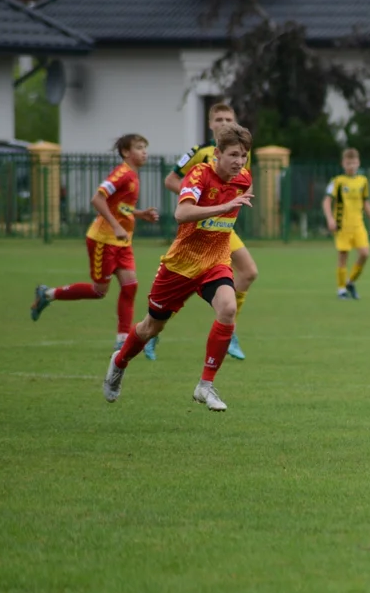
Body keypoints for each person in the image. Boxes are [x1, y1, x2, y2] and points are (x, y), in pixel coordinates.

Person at [103, 123, 254, 411]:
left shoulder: (243, 178)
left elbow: (236, 200)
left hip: (216, 260)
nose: (239, 162)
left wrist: (229, 206)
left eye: (244, 156)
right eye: (234, 154)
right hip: (180, 265)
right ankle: (119, 362)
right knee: (151, 327)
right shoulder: (199, 174)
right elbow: (181, 213)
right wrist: (223, 207)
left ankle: (205, 386)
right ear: (217, 154)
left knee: (228, 308)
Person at [143, 102, 256, 361]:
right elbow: (171, 180)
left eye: (229, 118)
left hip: (222, 226)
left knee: (249, 272)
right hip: (199, 225)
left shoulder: (239, 155)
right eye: (219, 119)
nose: (224, 123)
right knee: (185, 281)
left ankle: (229, 326)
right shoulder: (198, 153)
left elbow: (243, 187)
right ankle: (155, 328)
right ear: (210, 124)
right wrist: (197, 196)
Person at [30, 134, 159, 348]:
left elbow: (119, 206)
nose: (144, 151)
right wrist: (116, 226)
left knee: (130, 286)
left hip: (122, 242)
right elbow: (97, 199)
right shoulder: (121, 174)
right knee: (99, 291)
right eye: (139, 147)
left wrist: (140, 213)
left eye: (146, 147)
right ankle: (47, 294)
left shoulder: (133, 175)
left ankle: (122, 340)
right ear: (126, 152)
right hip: (103, 240)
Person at [321, 148, 370, 299]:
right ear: (343, 164)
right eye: (348, 163)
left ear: (359, 163)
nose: (351, 166)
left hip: (358, 225)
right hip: (342, 226)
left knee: (365, 253)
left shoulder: (363, 181)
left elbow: (366, 204)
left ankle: (351, 281)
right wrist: (330, 219)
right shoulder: (337, 182)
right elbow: (326, 201)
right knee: (343, 256)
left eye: (354, 163)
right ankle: (341, 289)